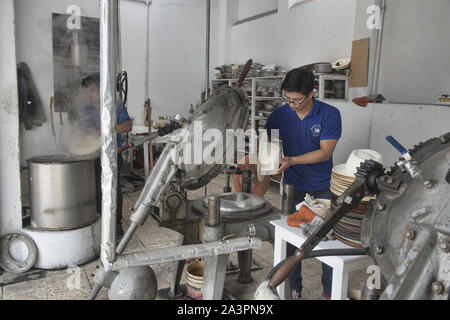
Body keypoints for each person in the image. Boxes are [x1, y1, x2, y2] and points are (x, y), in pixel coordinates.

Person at [236, 68, 342, 299]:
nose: (292, 104)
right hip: (292, 187)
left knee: (322, 240)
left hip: (322, 186)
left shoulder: (329, 114)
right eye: (288, 99)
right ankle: (294, 290)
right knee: (291, 241)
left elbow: (325, 153)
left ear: (312, 92)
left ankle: (329, 292)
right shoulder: (279, 115)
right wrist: (257, 162)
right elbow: (268, 146)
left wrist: (292, 159)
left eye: (297, 100)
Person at [80, 74, 132, 238]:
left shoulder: (114, 105)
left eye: (93, 91)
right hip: (93, 156)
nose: (90, 95)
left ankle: (116, 225)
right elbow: (84, 130)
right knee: (95, 190)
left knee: (112, 191)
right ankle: (100, 222)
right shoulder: (87, 110)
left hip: (111, 156)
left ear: (101, 89)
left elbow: (127, 125)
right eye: (87, 92)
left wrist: (106, 131)